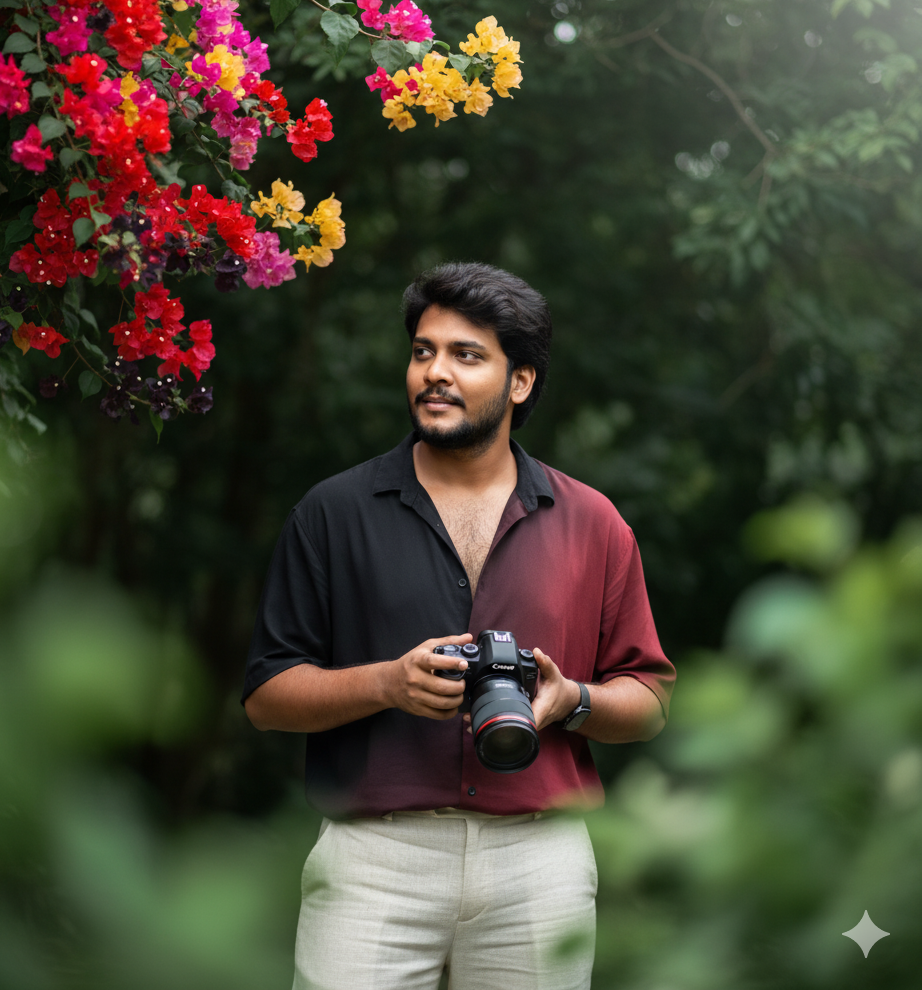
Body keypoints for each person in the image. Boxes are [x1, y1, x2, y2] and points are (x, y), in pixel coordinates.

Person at [241, 262, 676, 990]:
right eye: (423, 351)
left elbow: (651, 700)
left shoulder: (594, 523)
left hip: (540, 862)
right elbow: (266, 697)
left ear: (521, 382)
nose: (434, 372)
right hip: (374, 860)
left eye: (465, 355)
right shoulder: (332, 512)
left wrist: (571, 701)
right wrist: (386, 683)